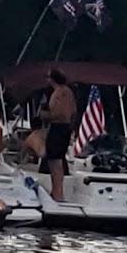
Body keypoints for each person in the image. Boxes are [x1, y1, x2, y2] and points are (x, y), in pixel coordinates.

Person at [40, 69, 77, 202]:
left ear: (52, 79)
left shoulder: (60, 93)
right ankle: (57, 191)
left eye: (48, 77)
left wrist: (44, 115)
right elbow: (73, 111)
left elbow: (59, 114)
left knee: (54, 161)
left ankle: (57, 194)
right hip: (65, 129)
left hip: (57, 128)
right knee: (58, 161)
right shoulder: (69, 92)